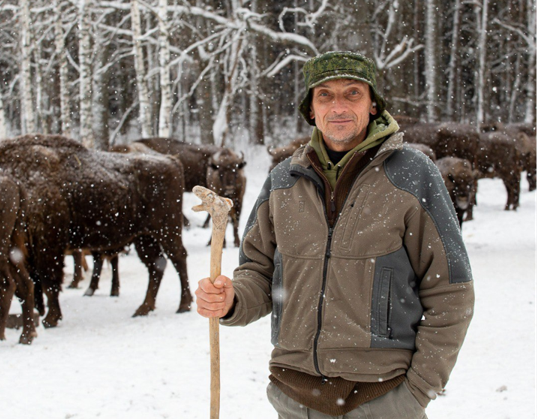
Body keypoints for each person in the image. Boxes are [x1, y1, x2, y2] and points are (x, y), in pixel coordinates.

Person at [195, 51, 474, 418]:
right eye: (324, 95)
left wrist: (416, 391)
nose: (338, 106)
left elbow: (451, 291)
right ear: (311, 109)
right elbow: (259, 274)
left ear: (373, 104)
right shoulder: (283, 181)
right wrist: (232, 299)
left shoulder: (413, 175)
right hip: (293, 399)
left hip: (382, 400)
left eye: (352, 93)